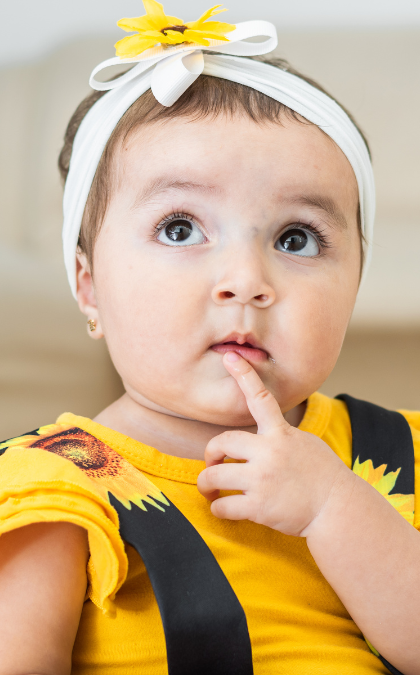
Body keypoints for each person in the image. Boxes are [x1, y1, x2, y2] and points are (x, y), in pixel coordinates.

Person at [0, 2, 419, 674]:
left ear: (355, 285)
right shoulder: (55, 489)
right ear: (89, 286)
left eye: (296, 239)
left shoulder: (399, 452)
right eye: (179, 229)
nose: (246, 281)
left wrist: (333, 507)